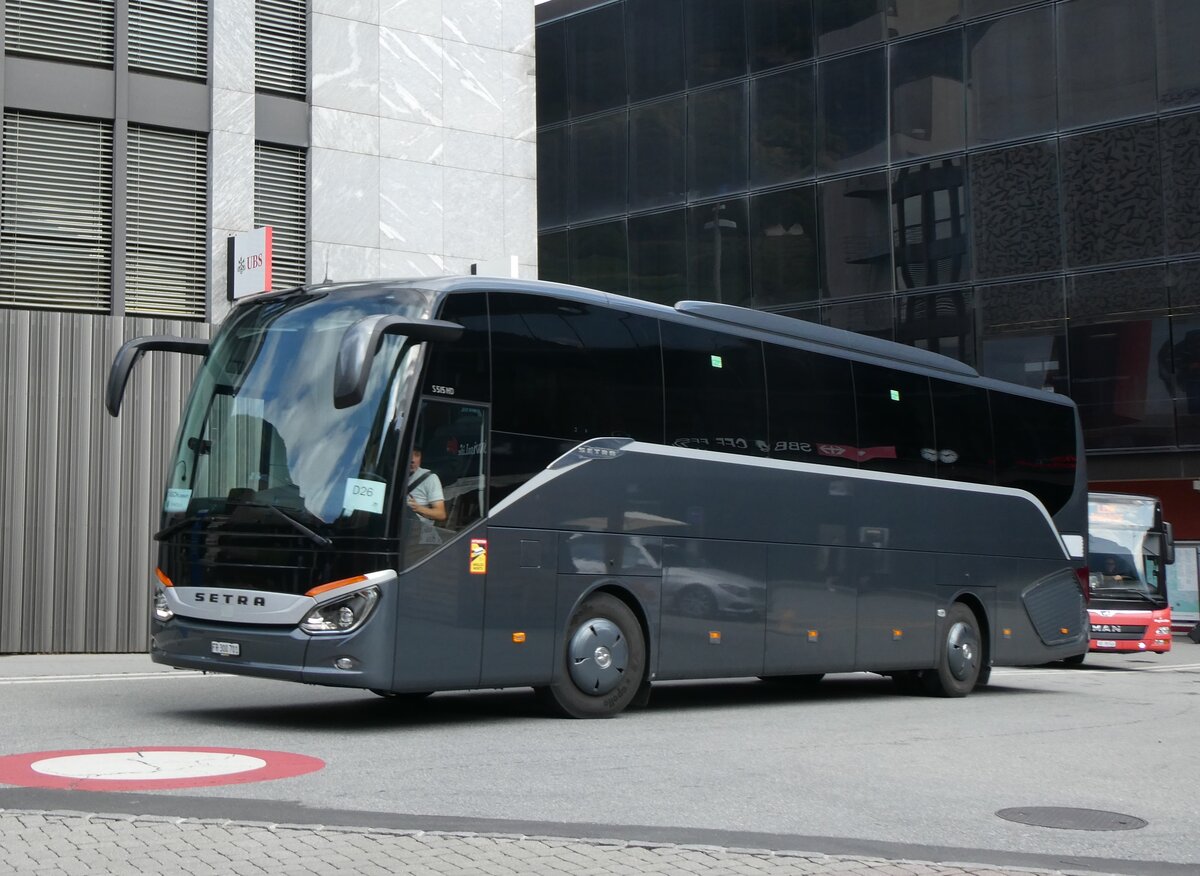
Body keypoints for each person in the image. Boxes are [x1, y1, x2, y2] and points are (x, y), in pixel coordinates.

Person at [406, 449, 446, 550]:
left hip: (419, 540)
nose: (412, 460)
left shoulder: (430, 478)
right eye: (410, 454)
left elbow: (441, 514)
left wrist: (417, 508)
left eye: (417, 455)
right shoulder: (393, 475)